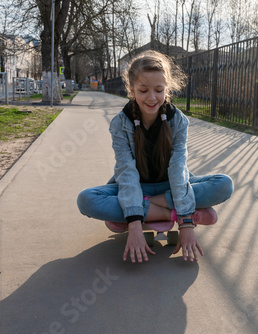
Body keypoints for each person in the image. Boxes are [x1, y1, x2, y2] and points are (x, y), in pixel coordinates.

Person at [77, 50, 233, 264]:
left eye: (158, 90)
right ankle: (170, 213)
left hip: (170, 186)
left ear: (167, 88)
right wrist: (134, 225)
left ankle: (143, 209)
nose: (152, 97)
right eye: (143, 90)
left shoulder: (179, 121)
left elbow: (178, 170)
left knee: (224, 184)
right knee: (86, 200)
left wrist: (186, 224)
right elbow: (127, 172)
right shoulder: (120, 124)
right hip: (135, 187)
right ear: (131, 90)